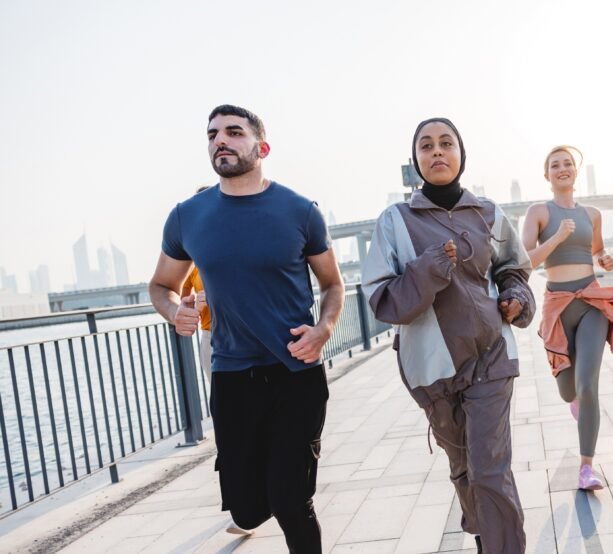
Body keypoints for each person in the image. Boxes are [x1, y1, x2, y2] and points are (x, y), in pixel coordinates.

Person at [148, 105, 344, 553]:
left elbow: (333, 284)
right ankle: (256, 503)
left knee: (291, 500)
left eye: (234, 132)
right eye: (212, 134)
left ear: (262, 147)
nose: (220, 140)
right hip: (232, 377)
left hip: (296, 371)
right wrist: (174, 311)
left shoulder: (300, 211)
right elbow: (161, 286)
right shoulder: (186, 217)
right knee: (248, 508)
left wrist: (324, 328)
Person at [362, 117, 534, 553]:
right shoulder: (394, 221)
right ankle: (483, 536)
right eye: (426, 145)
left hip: (492, 355)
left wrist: (516, 296)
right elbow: (383, 301)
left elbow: (513, 269)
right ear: (416, 159)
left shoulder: (489, 213)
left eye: (445, 143)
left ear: (461, 153)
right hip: (431, 367)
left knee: (490, 468)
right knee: (463, 466)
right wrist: (428, 269)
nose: (436, 151)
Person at [521, 145, 613, 490]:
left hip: (590, 301)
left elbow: (597, 250)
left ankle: (586, 467)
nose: (562, 168)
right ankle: (576, 403)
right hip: (558, 306)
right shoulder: (538, 212)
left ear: (576, 170)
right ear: (547, 175)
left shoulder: (592, 214)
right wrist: (557, 237)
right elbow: (526, 261)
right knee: (568, 390)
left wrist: (604, 259)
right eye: (555, 165)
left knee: (588, 385)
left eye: (568, 163)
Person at [180, 185, 213, 379]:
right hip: (211, 337)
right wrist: (196, 308)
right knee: (221, 396)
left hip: (247, 334)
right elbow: (181, 305)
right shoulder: (189, 262)